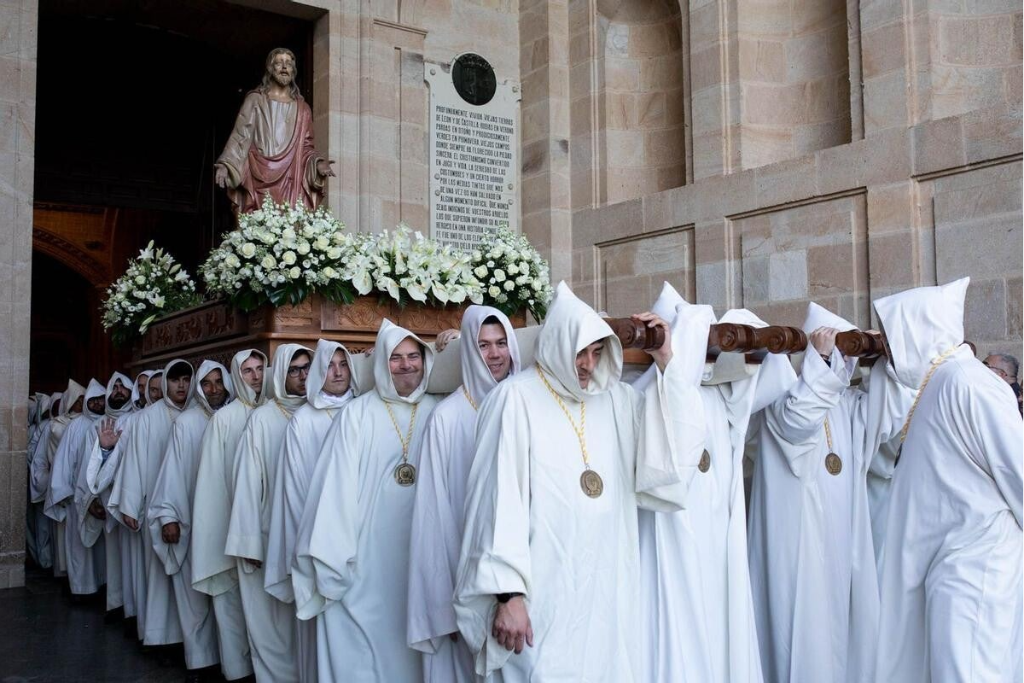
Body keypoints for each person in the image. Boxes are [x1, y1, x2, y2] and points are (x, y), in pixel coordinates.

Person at [454, 283, 710, 681]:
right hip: (542, 594)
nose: (588, 364)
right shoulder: (514, 399)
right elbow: (495, 500)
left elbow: (667, 456)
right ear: (557, 343)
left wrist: (665, 359)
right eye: (579, 352)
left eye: (596, 352)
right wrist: (507, 594)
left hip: (606, 589)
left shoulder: (616, 400)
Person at [746, 302, 914, 683]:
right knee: (802, 635)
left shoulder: (845, 403)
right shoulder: (784, 399)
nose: (843, 366)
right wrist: (820, 359)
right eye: (837, 358)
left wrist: (887, 361)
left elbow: (890, 418)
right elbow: (797, 422)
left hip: (841, 540)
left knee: (845, 634)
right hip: (798, 544)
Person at [873, 278, 1024, 682]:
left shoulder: (969, 382)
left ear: (918, 330)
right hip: (949, 564)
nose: (888, 347)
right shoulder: (940, 382)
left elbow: (1017, 467)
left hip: (975, 565)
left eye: (893, 335)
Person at [633, 283, 769, 683]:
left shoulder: (718, 394)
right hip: (672, 528)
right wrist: (670, 363)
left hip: (717, 534)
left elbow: (757, 383)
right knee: (679, 619)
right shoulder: (647, 392)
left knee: (719, 622)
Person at [293, 320, 438, 681]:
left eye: (413, 356)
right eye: (396, 358)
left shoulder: (438, 410)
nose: (406, 365)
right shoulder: (355, 415)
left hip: (421, 558)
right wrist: (335, 561)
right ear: (382, 364)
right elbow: (334, 494)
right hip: (367, 564)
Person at [407, 306, 520, 682]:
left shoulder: (527, 405)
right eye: (483, 345)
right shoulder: (447, 417)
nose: (495, 354)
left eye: (501, 343)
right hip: (466, 579)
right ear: (469, 351)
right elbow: (432, 516)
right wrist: (442, 604)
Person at [265, 340, 364, 683]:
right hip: (318, 544)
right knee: (324, 633)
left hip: (361, 541)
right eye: (330, 365)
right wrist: (306, 551)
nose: (337, 372)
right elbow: (294, 492)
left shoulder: (364, 410)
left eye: (343, 364)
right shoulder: (304, 420)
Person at [225, 344, 311, 683]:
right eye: (294, 370)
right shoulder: (262, 419)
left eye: (307, 368)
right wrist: (248, 541)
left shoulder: (324, 410)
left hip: (309, 533)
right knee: (272, 619)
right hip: (269, 532)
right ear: (281, 375)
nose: (303, 376)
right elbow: (247, 482)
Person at [148, 361, 232, 680]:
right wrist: (168, 516)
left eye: (218, 382)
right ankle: (199, 662)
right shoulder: (186, 423)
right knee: (194, 600)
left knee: (225, 600)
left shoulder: (235, 417)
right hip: (193, 522)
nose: (213, 389)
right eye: (207, 383)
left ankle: (229, 662)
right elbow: (172, 471)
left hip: (226, 525)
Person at [191, 349, 268, 682]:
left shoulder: (275, 410)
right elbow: (212, 481)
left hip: (268, 529)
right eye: (247, 371)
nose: (255, 376)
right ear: (237, 376)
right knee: (233, 607)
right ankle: (238, 672)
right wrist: (233, 532)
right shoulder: (224, 419)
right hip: (232, 530)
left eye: (260, 368)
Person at [109, 360, 193, 646]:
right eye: (175, 380)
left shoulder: (195, 414)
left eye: (186, 379)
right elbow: (133, 462)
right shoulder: (147, 418)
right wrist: (130, 504)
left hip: (187, 508)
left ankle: (185, 640)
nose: (181, 386)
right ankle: (157, 638)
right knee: (156, 578)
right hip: (154, 510)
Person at [214, 47, 334, 214]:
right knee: (258, 222)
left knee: (290, 223)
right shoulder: (255, 100)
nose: (284, 67)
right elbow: (241, 135)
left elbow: (306, 147)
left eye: (288, 64)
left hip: (291, 178)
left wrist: (317, 164)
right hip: (258, 173)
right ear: (270, 69)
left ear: (293, 70)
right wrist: (226, 164)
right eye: (279, 63)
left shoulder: (303, 109)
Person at [86, 371, 154, 631]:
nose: (118, 391)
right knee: (124, 562)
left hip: (151, 503)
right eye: (144, 387)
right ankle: (125, 608)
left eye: (122, 387)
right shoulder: (124, 421)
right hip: (121, 500)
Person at [76, 373, 134, 618]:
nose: (119, 390)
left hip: (131, 500)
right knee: (113, 556)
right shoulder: (97, 425)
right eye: (114, 387)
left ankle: (132, 608)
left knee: (132, 560)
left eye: (123, 387)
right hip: (107, 498)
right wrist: (90, 499)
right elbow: (86, 464)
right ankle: (116, 603)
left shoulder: (137, 420)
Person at [46, 378, 108, 598]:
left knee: (102, 550)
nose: (97, 403)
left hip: (103, 496)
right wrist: (66, 492)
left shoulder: (109, 422)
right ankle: (81, 589)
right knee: (80, 547)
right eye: (93, 400)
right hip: (78, 496)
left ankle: (102, 586)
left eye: (101, 399)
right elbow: (63, 461)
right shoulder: (75, 426)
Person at [45, 379, 86, 579]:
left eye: (83, 400)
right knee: (65, 535)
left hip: (82, 484)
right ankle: (65, 572)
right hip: (66, 483)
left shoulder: (87, 422)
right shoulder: (57, 425)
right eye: (77, 400)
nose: (81, 403)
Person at [27, 392, 57, 570]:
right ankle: (44, 561)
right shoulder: (45, 427)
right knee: (42, 527)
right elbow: (35, 455)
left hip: (49, 483)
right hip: (42, 481)